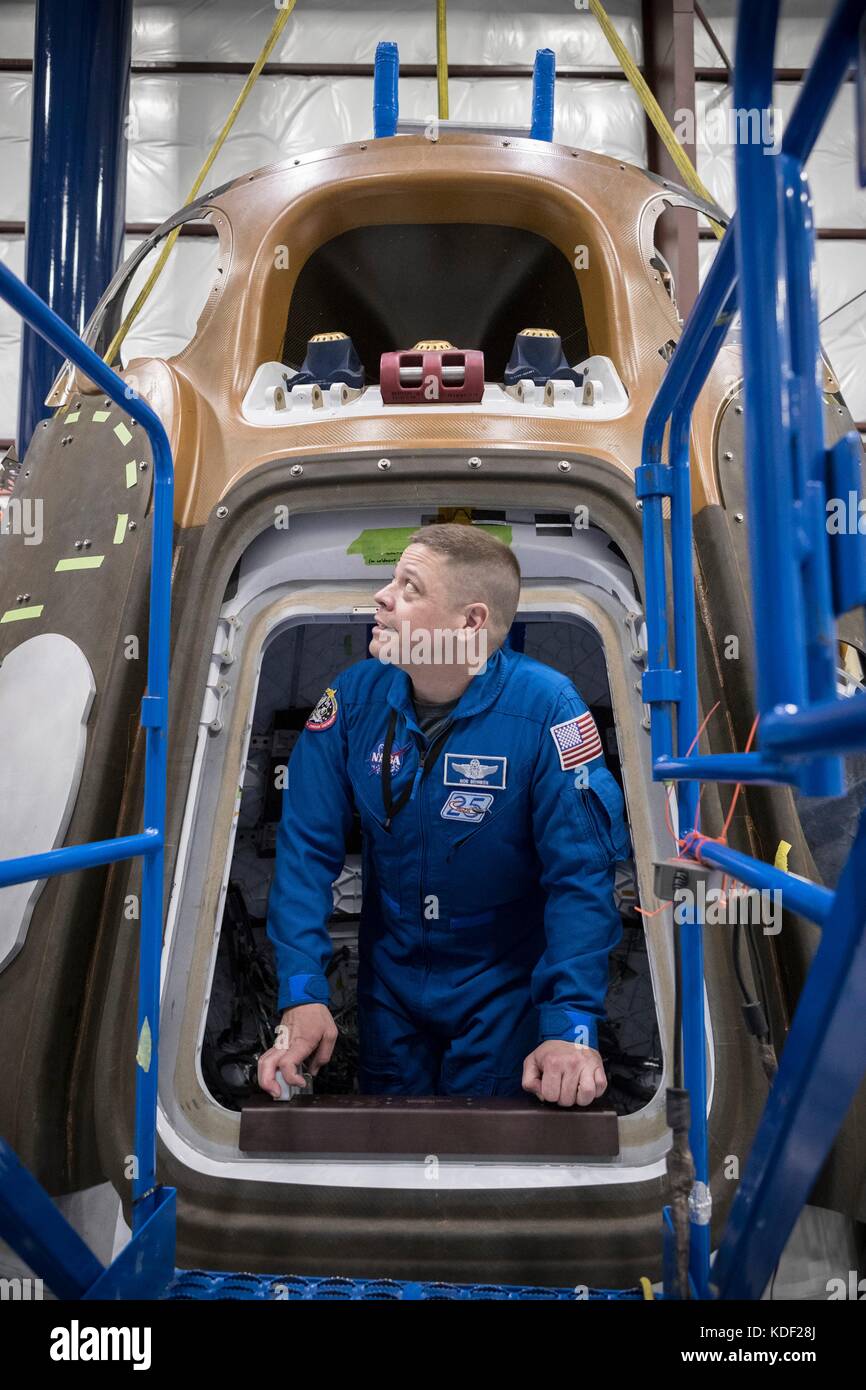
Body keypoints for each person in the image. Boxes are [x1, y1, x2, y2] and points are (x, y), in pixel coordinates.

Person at [257, 523, 630, 1107]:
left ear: (470, 623)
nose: (381, 596)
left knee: (487, 1158)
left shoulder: (548, 710)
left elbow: (580, 879)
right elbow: (304, 852)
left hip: (503, 989)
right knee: (390, 1151)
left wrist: (569, 1024)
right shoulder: (353, 700)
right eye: (392, 581)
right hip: (389, 986)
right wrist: (302, 993)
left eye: (409, 588)